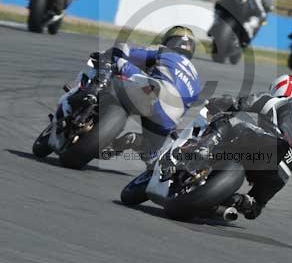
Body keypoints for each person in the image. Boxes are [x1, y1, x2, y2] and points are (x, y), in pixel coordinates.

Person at [49, 26, 201, 168]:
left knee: (115, 56)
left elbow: (127, 52)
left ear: (169, 42)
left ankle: (94, 89)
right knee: (150, 156)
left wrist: (107, 56)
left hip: (152, 90)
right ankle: (125, 143)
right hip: (170, 117)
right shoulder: (196, 79)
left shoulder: (165, 53)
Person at [192, 74, 292, 220]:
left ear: (276, 89)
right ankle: (239, 201)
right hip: (282, 172)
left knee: (228, 120)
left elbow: (238, 103)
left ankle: (203, 149)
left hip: (269, 146)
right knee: (256, 205)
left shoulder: (277, 101)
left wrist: (213, 102)